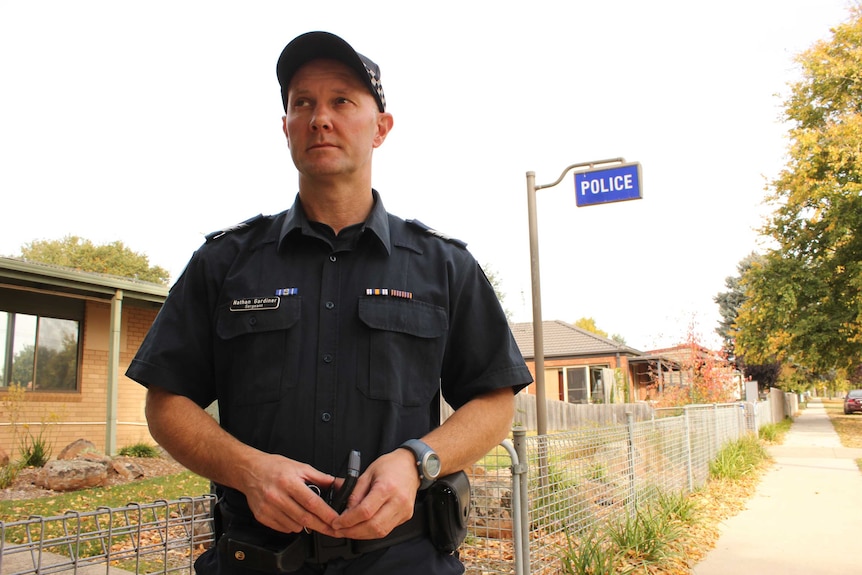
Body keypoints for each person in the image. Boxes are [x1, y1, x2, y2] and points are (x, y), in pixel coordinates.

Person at [126, 31, 532, 575]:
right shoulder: (224, 264)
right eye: (303, 103)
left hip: (404, 561)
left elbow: (494, 401)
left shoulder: (443, 267)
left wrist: (416, 463)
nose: (321, 117)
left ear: (381, 128)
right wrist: (249, 470)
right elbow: (166, 403)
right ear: (286, 127)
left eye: (342, 100)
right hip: (255, 560)